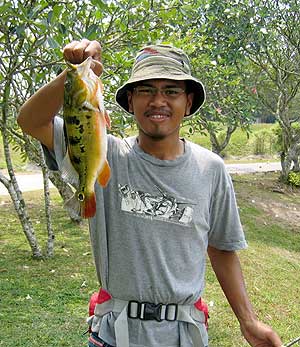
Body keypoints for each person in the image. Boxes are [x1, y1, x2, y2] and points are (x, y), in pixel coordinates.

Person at [17, 39, 283, 347]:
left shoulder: (211, 169)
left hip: (186, 336)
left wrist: (248, 321)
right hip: (115, 335)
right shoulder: (104, 154)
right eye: (145, 90)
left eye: (171, 91)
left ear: (189, 101)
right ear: (130, 101)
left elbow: (222, 249)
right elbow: (30, 120)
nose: (158, 100)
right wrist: (77, 73)